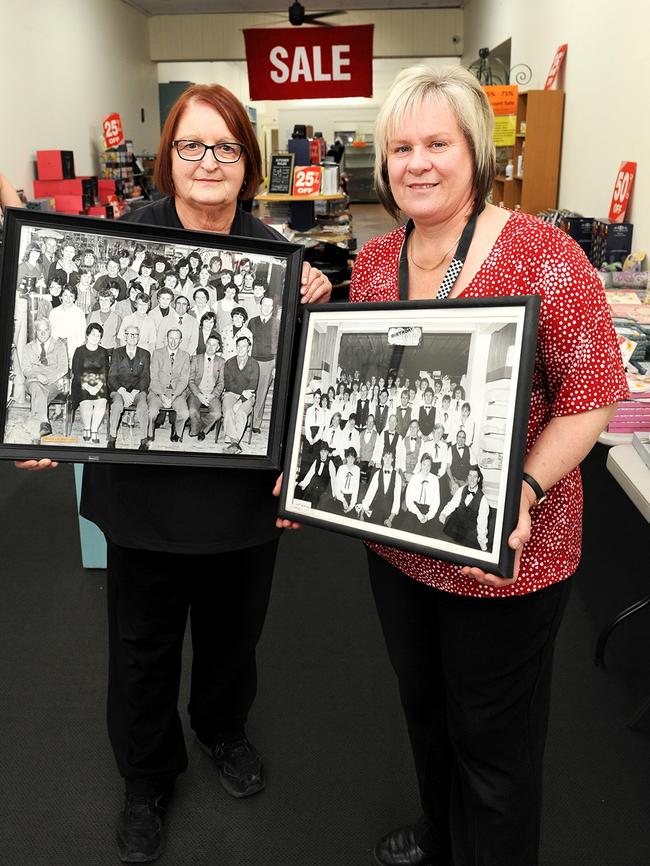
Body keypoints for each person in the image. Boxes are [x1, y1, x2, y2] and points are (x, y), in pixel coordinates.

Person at [17, 82, 330, 865]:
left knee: (233, 638)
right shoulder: (123, 244)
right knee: (141, 646)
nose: (208, 161)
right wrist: (47, 419)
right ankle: (147, 777)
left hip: (241, 499)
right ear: (169, 158)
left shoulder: (281, 259)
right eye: (192, 145)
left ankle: (222, 729)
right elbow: (76, 347)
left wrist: (297, 472)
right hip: (145, 498)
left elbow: (295, 382)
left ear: (248, 162)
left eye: (225, 147)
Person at [348, 65, 628, 866]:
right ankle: (442, 838)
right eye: (400, 147)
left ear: (477, 150)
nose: (418, 162)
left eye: (438, 142)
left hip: (507, 551)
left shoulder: (545, 255)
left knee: (496, 746)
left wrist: (526, 490)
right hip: (398, 542)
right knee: (426, 712)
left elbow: (592, 395)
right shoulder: (373, 265)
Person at [20, 318, 68, 443]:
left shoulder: (59, 345)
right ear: (35, 331)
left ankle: (36, 429)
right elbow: (25, 369)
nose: (43, 334)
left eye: (45, 330)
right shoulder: (28, 347)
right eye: (39, 330)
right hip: (33, 381)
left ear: (50, 330)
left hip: (53, 383)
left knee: (38, 391)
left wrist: (49, 379)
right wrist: (38, 377)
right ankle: (43, 424)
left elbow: (63, 368)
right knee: (35, 385)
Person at [106, 325, 151, 450]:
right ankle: (112, 437)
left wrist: (136, 391)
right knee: (117, 405)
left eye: (135, 335)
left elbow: (146, 377)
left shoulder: (145, 354)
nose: (132, 337)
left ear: (138, 337)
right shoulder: (117, 352)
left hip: (137, 390)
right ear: (125, 336)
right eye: (130, 334)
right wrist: (122, 391)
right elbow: (111, 376)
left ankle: (143, 439)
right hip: (119, 389)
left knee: (143, 405)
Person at [147, 327, 190, 444]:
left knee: (185, 413)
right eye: (171, 338)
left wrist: (174, 396)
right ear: (166, 339)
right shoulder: (157, 353)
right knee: (152, 412)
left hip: (177, 393)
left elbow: (183, 380)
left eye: (177, 338)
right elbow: (153, 378)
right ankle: (150, 434)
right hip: (158, 392)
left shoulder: (185, 356)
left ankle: (177, 430)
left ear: (181, 340)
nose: (173, 341)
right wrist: (161, 395)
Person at [71, 323, 110, 444]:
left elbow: (105, 371)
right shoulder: (79, 351)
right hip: (81, 382)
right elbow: (76, 371)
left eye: (99, 335)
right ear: (87, 335)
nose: (96, 337)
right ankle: (86, 427)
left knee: (102, 399)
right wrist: (87, 385)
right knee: (86, 398)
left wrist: (98, 385)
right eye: (93, 334)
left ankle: (94, 430)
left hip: (99, 381)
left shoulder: (103, 351)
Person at [247, 295, 279, 434]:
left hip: (269, 362)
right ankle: (245, 419)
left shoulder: (277, 323)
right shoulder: (252, 322)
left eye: (269, 306)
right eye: (264, 305)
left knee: (262, 393)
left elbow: (280, 346)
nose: (266, 308)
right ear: (260, 306)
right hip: (253, 361)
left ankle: (256, 423)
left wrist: (276, 366)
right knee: (249, 391)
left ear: (273, 308)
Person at [438, 465, 490, 552]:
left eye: (475, 477)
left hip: (468, 532)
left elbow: (482, 524)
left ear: (478, 479)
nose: (472, 479)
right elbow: (452, 503)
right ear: (467, 477)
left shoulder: (483, 500)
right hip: (454, 525)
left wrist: (483, 545)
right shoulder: (462, 489)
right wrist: (444, 513)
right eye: (470, 476)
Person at [221, 334, 259, 452]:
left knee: (241, 412)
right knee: (228, 410)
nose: (240, 349)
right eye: (238, 346)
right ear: (235, 347)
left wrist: (240, 400)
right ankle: (235, 443)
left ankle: (233, 441)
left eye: (244, 346)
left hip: (248, 397)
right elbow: (228, 384)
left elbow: (252, 386)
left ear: (249, 348)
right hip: (230, 394)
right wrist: (242, 391)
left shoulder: (254, 364)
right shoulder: (229, 363)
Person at [187, 333, 224, 440]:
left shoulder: (221, 361)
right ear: (205, 344)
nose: (211, 347)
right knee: (192, 411)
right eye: (209, 344)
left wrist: (212, 395)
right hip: (196, 392)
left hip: (212, 393)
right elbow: (191, 381)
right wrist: (199, 395)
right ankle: (197, 429)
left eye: (214, 345)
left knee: (217, 413)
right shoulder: (195, 359)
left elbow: (221, 383)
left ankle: (201, 428)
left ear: (218, 348)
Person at [48, 285, 87, 357]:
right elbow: (51, 333)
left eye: (71, 296)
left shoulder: (79, 313)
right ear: (61, 296)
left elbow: (81, 336)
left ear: (75, 298)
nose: (68, 299)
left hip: (73, 351)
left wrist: (75, 353)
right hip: (55, 350)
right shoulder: (54, 312)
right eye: (65, 295)